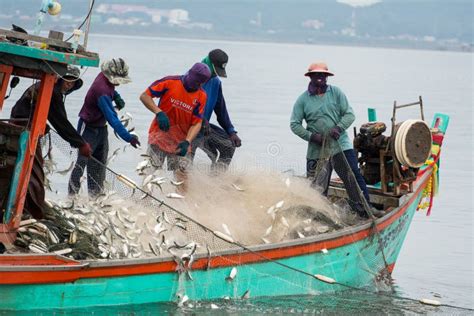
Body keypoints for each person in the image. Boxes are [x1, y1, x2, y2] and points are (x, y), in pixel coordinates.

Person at [290, 62, 383, 218]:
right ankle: (317, 216)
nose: (319, 78)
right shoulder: (303, 100)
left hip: (340, 146)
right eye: (316, 75)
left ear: (327, 77)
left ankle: (364, 209)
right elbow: (294, 124)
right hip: (317, 150)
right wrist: (312, 136)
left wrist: (338, 128)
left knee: (352, 176)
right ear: (310, 77)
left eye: (322, 75)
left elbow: (349, 114)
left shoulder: (336, 93)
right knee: (316, 185)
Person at [10, 65, 91, 219]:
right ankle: (34, 212)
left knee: (28, 169)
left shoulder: (47, 88)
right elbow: (61, 122)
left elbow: (46, 113)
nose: (69, 84)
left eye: (73, 82)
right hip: (25, 131)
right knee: (35, 172)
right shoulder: (52, 91)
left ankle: (28, 207)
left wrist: (42, 123)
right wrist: (81, 143)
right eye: (67, 80)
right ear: (60, 78)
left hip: (23, 127)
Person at [68, 58, 140, 197]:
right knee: (81, 163)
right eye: (117, 79)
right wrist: (128, 137)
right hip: (87, 127)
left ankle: (95, 199)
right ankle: (71, 198)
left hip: (101, 129)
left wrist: (117, 96)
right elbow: (112, 118)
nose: (118, 82)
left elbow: (111, 89)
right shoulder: (102, 91)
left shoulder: (105, 78)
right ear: (110, 75)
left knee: (99, 166)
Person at [139, 63, 211, 184]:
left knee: (182, 178)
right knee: (149, 174)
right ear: (189, 73)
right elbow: (144, 96)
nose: (194, 85)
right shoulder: (170, 82)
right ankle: (145, 200)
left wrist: (187, 141)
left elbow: (196, 123)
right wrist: (158, 112)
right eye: (193, 81)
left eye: (198, 83)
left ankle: (181, 202)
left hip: (180, 143)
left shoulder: (201, 96)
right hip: (159, 138)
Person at [190, 49, 241, 171]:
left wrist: (231, 131)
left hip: (204, 128)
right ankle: (182, 186)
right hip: (186, 127)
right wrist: (201, 119)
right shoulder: (192, 77)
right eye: (215, 70)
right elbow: (186, 105)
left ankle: (215, 181)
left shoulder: (216, 82)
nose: (216, 74)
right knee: (185, 164)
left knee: (228, 145)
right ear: (208, 63)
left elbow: (221, 110)